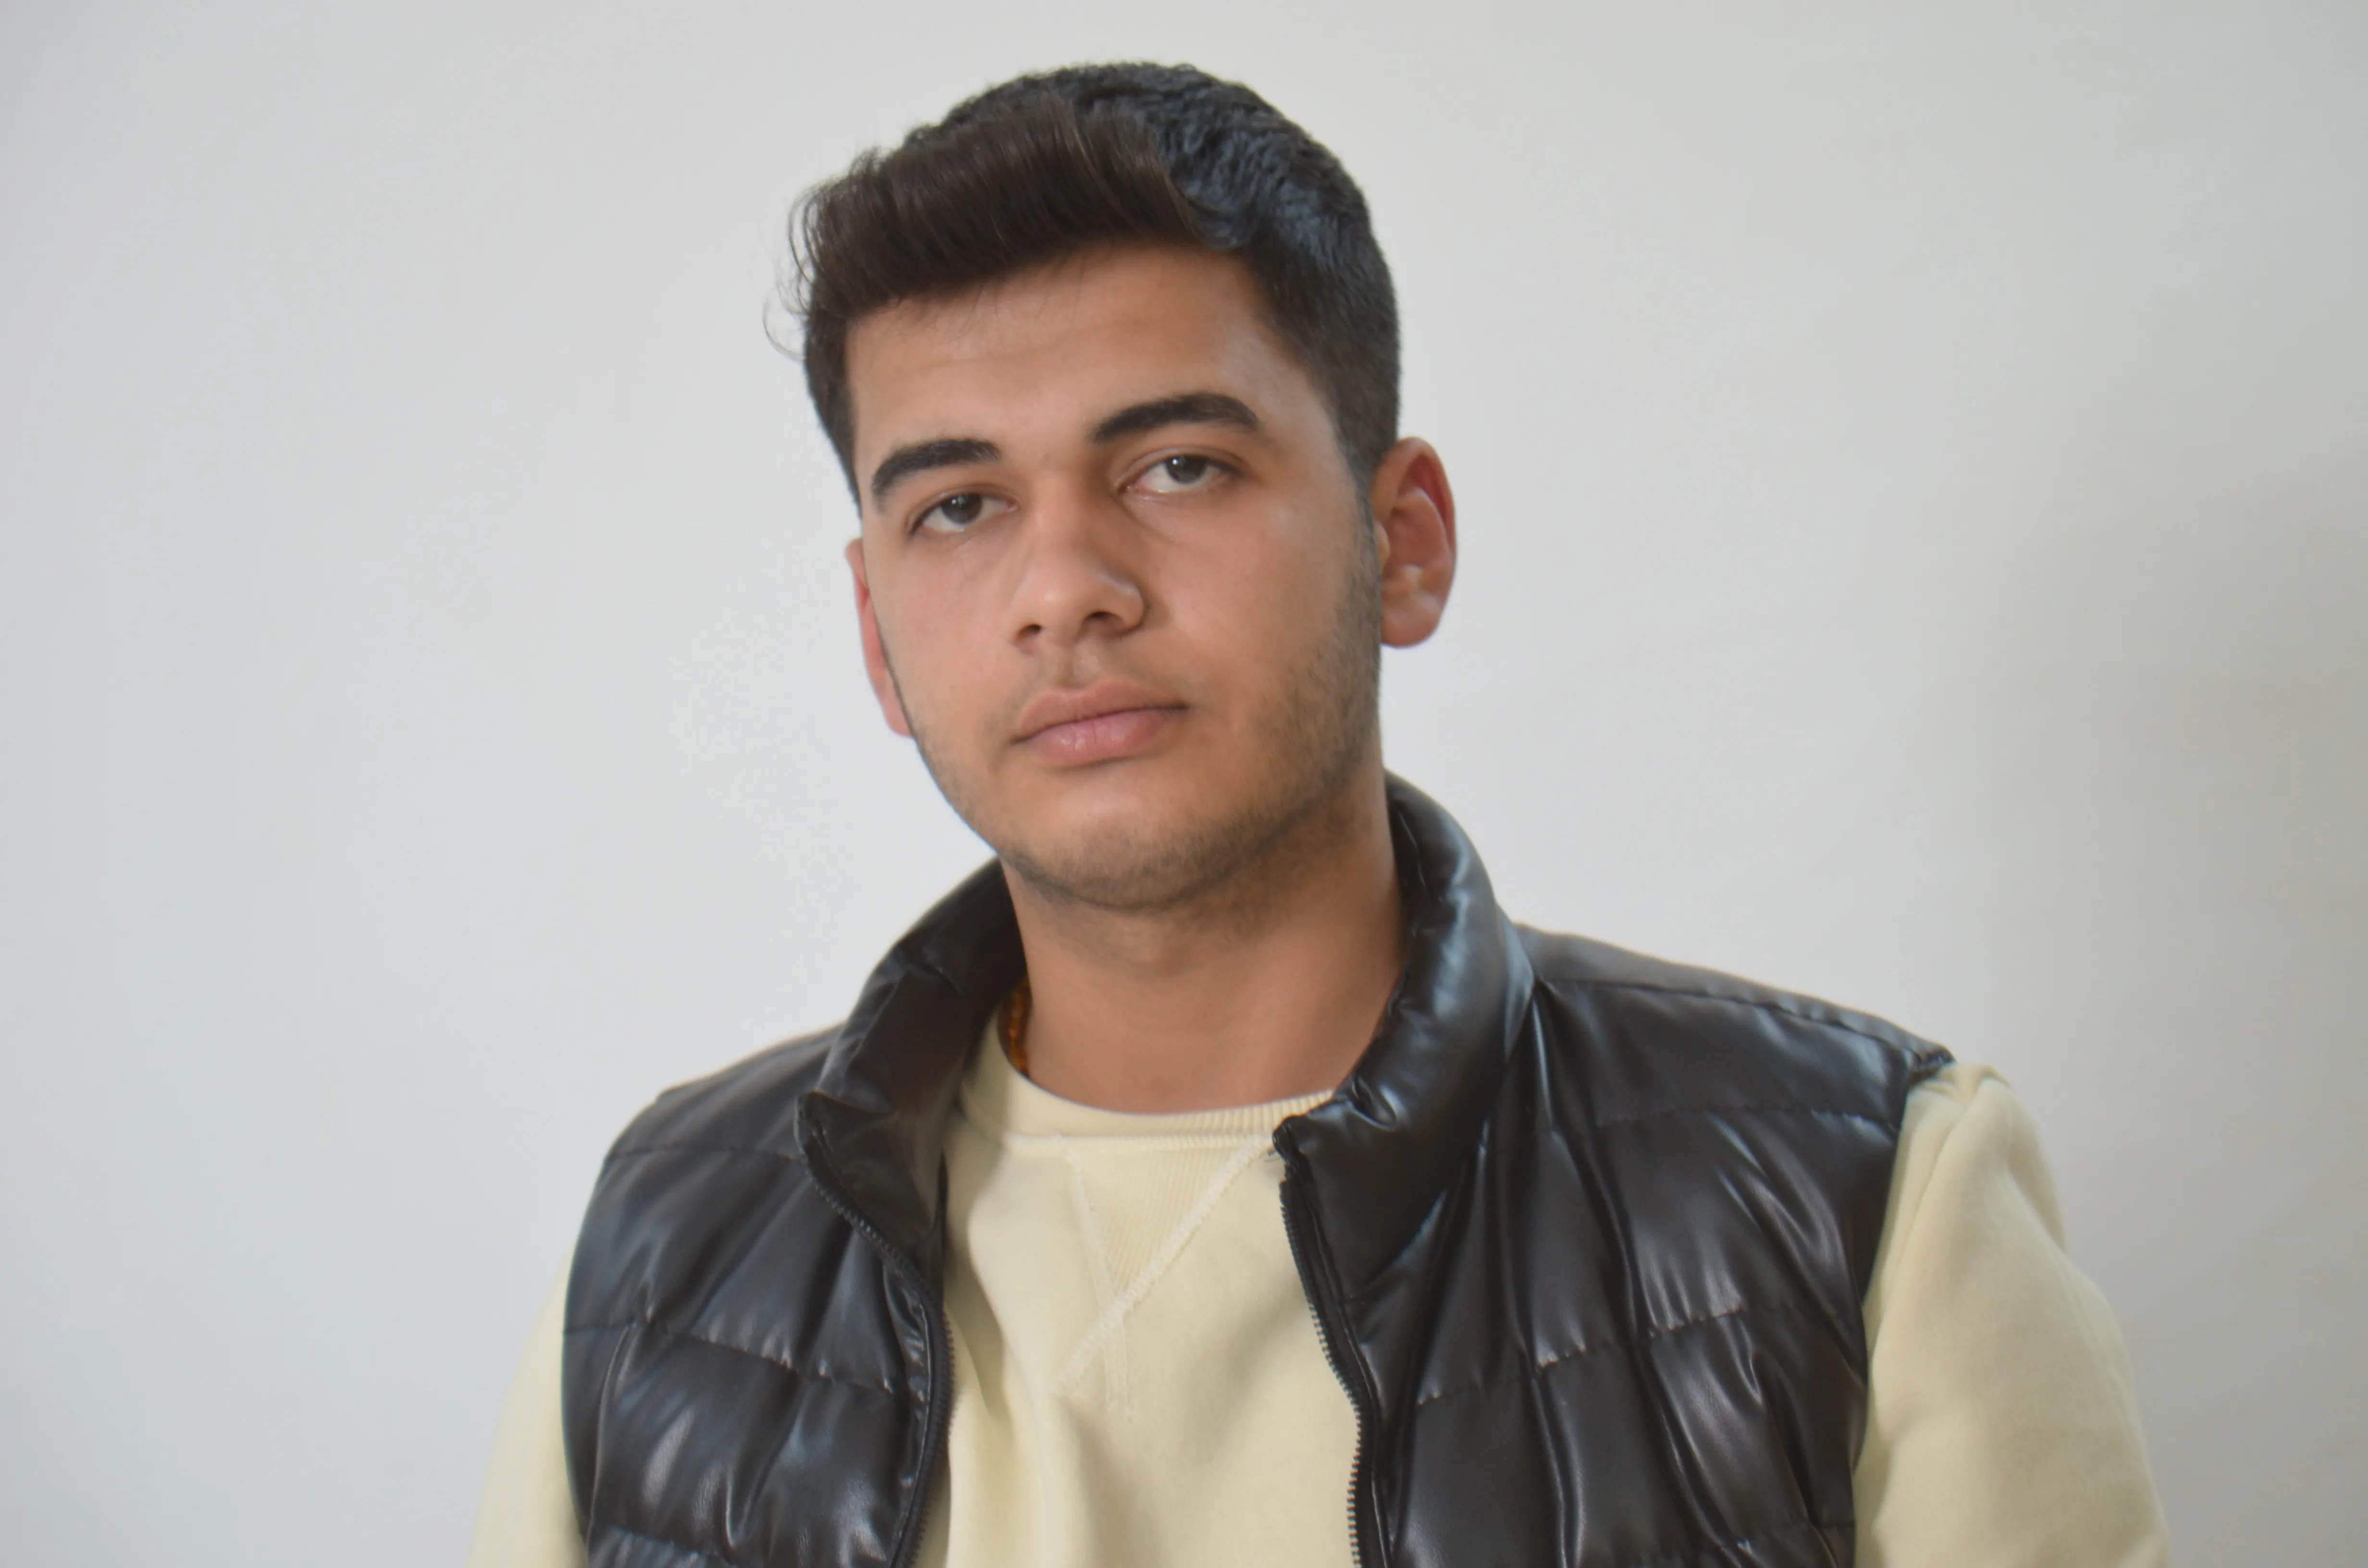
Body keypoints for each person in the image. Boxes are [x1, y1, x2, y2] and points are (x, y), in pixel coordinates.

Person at [469, 62, 2168, 1568]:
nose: (1065, 589)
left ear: (1403, 540)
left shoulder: (1863, 1202)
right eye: (961, 506)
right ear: (877, 634)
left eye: (1179, 467)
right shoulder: (664, 1253)